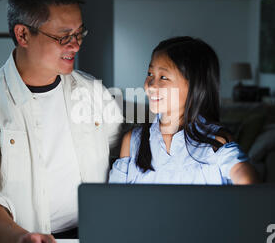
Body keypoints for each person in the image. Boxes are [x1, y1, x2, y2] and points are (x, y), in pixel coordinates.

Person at [0, 0, 123, 243]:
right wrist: (21, 242)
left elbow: (125, 152)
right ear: (23, 35)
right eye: (63, 36)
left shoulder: (93, 93)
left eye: (80, 33)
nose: (75, 45)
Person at [109, 36, 259, 185]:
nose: (151, 85)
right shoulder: (132, 141)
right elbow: (114, 199)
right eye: (150, 74)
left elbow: (245, 177)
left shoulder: (216, 142)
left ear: (194, 87)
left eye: (163, 77)